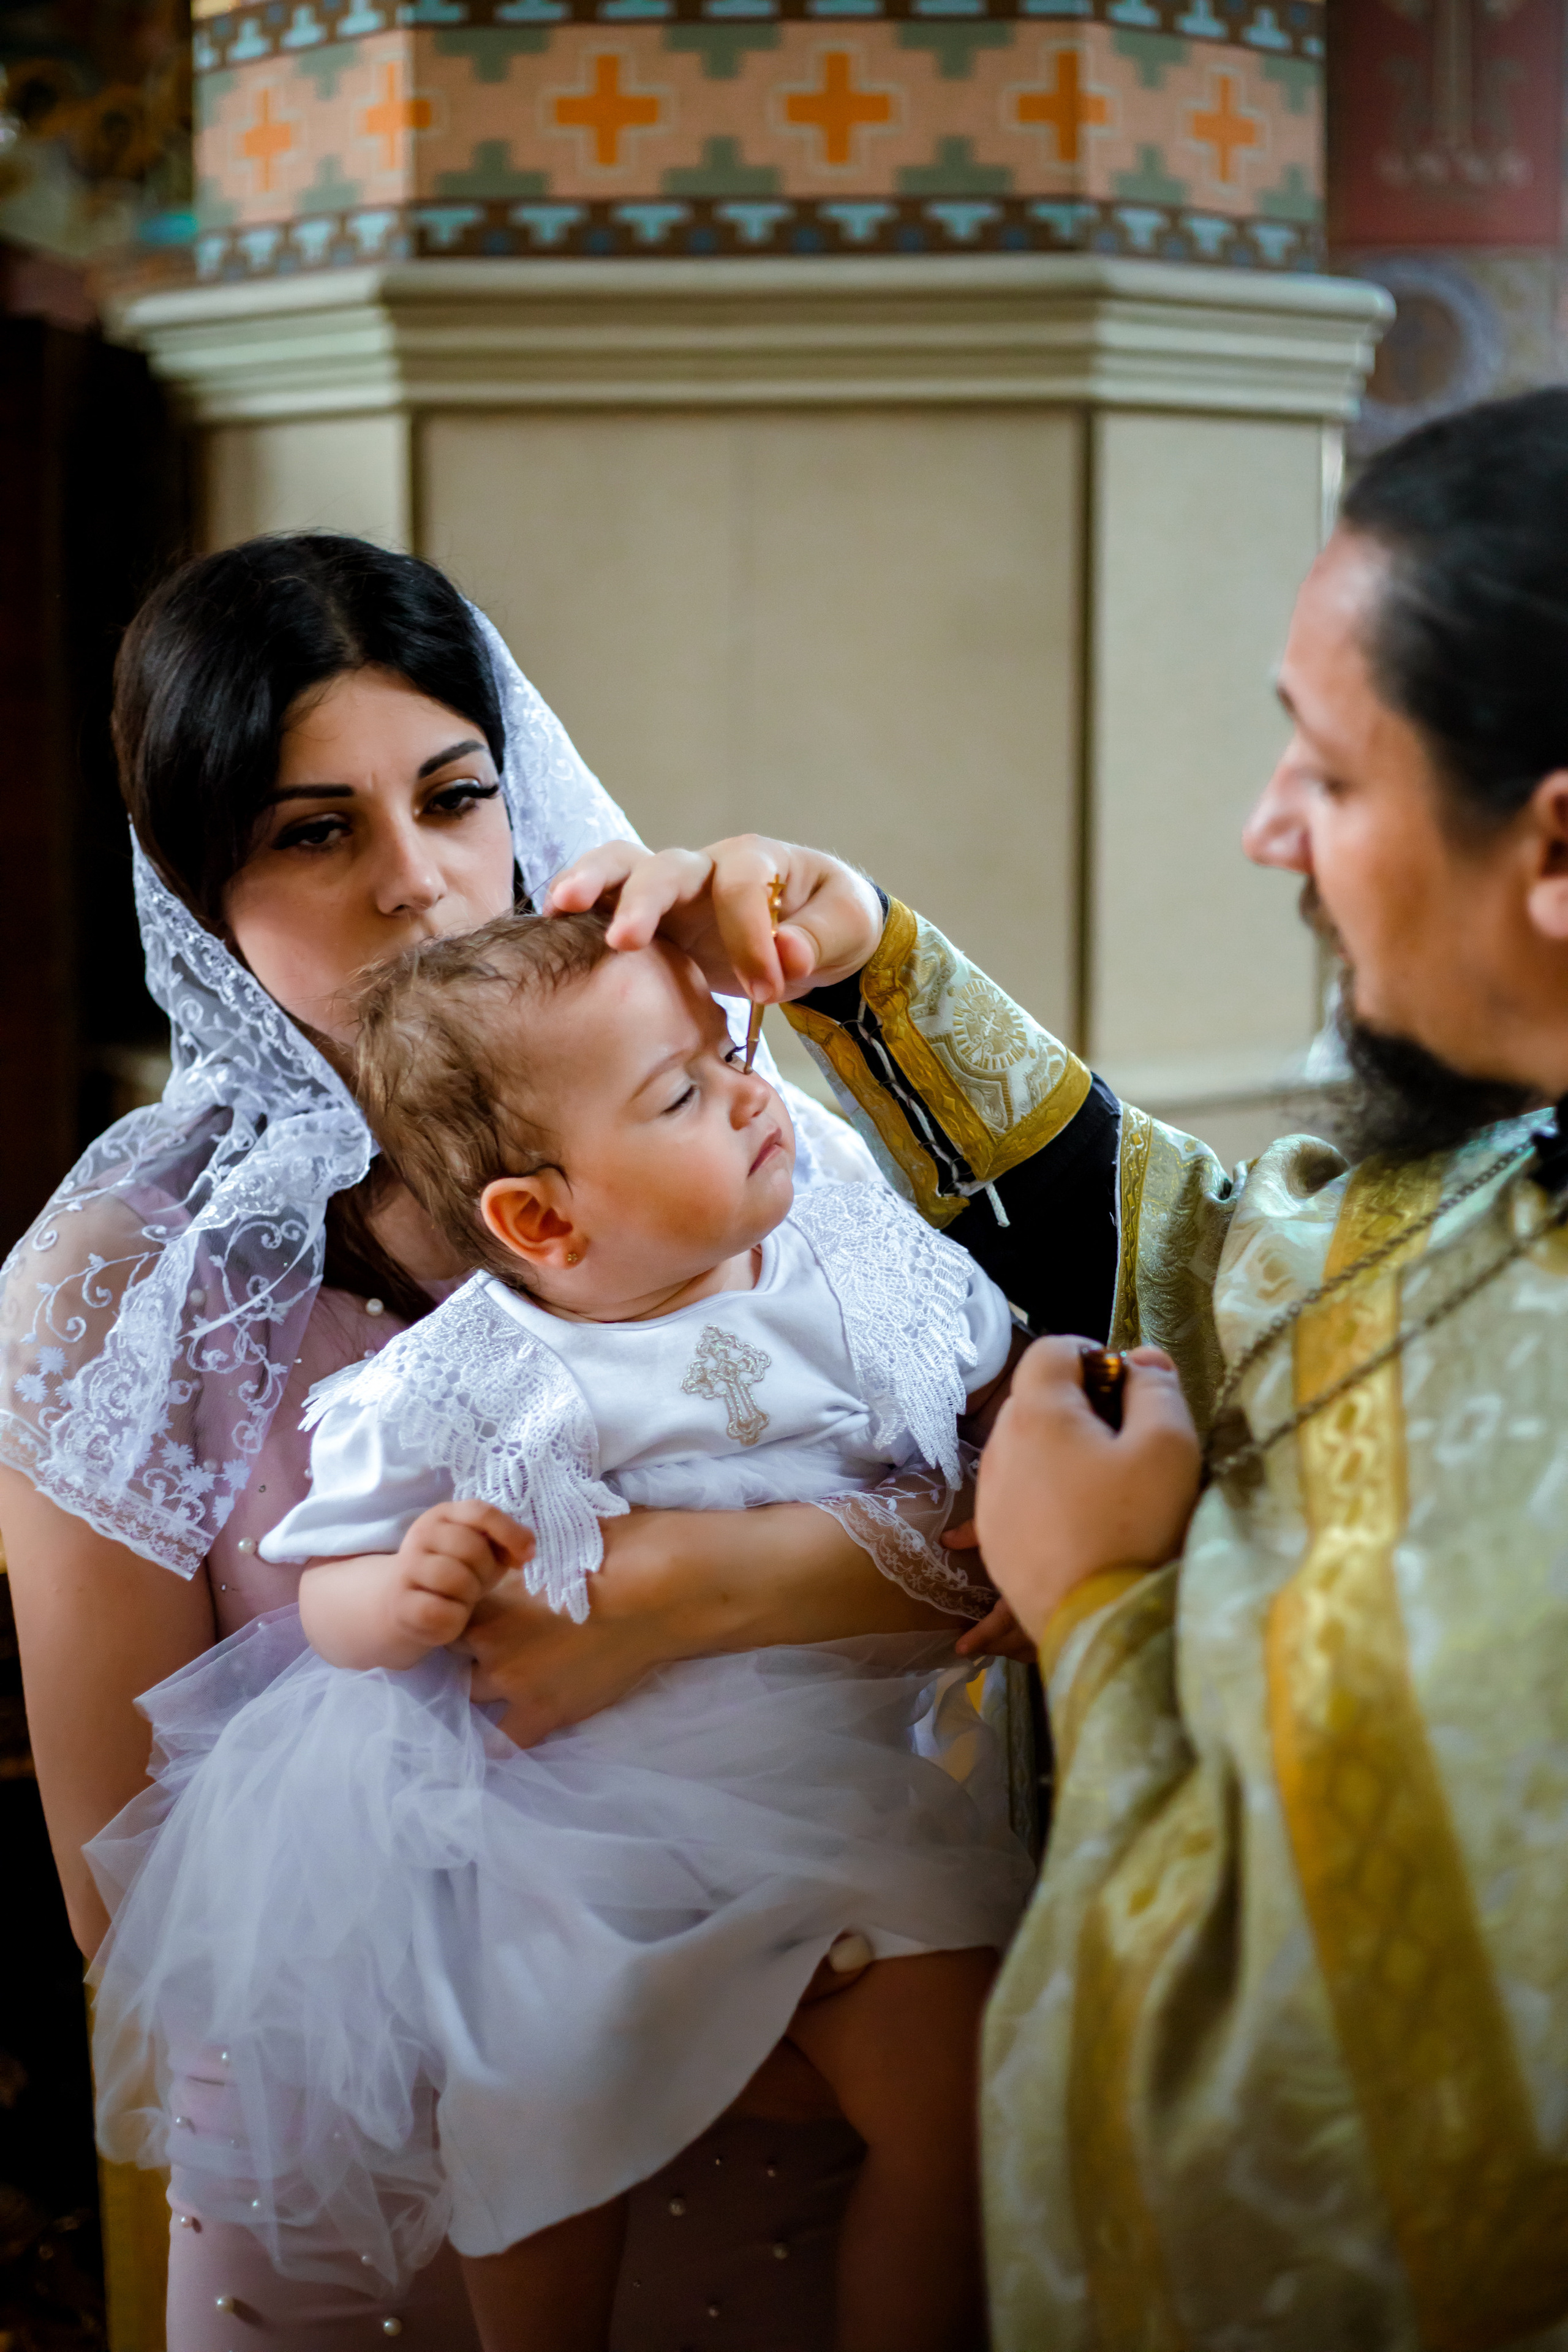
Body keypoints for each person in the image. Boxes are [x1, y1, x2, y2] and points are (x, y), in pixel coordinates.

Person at [546, 387, 1568, 2348]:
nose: (1267, 825)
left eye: (1334, 778)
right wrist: (866, 969)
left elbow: (1357, 2127)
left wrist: (1099, 1604)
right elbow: (1230, 1260)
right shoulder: (1492, 1169)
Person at [0, 533, 1009, 2352]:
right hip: (382, 2138)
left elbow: (1005, 1546)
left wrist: (693, 1592)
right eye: (317, 833)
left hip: (821, 2059)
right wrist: (567, 2016)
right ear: (198, 882)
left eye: (457, 796)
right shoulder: (125, 1275)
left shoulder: (729, 1138)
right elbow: (123, 1895)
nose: (425, 884)